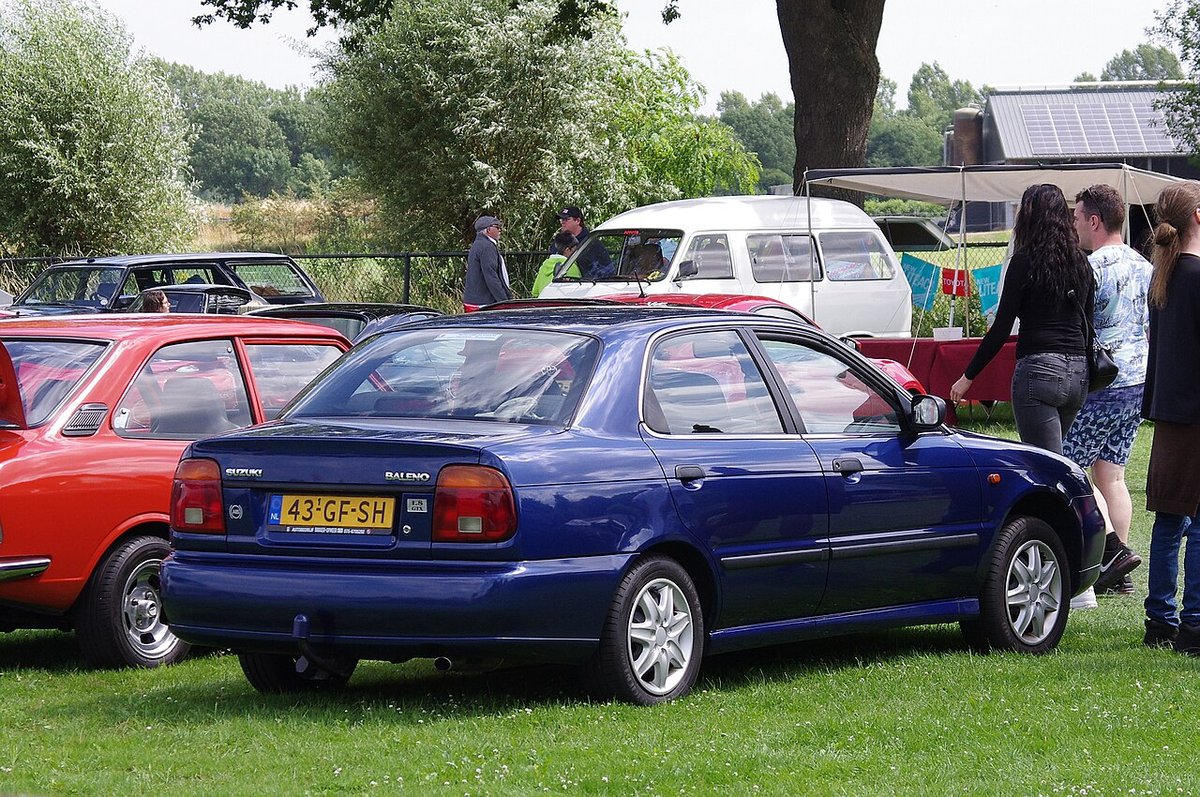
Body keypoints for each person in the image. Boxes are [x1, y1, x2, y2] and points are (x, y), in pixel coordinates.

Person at [950, 184, 1092, 456]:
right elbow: (1088, 323)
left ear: (1027, 217)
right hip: (1077, 372)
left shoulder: (1024, 263)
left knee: (1044, 463)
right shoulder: (1082, 263)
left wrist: (968, 376)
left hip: (1039, 369)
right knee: (1055, 457)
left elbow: (1001, 329)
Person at [1062, 185, 1152, 597]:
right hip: (1139, 378)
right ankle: (1121, 570)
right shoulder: (1143, 265)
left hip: (1102, 381)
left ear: (1094, 221)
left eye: (1077, 217)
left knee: (1072, 468)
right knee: (1113, 474)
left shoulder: (1091, 268)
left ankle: (1112, 555)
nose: (1075, 224)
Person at [1140, 180, 1200, 654]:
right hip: (1195, 414)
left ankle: (1160, 620)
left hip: (1169, 412)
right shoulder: (1195, 276)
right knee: (1196, 522)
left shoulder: (1164, 274)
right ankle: (1195, 623)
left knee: (1169, 517)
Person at [463, 215, 511, 311]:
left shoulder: (477, 244)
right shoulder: (487, 247)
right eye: (497, 227)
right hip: (485, 303)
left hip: (475, 301)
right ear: (489, 229)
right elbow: (491, 277)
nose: (500, 230)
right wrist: (504, 302)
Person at [555, 205, 613, 278]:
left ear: (577, 221)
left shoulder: (592, 244)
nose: (562, 222)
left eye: (566, 219)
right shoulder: (559, 241)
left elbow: (605, 272)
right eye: (561, 220)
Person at [532, 231, 580, 297]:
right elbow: (578, 291)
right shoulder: (570, 266)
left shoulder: (544, 266)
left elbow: (535, 292)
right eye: (575, 250)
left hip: (543, 302)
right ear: (567, 250)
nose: (576, 253)